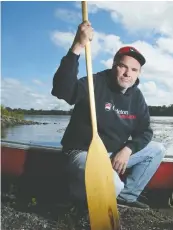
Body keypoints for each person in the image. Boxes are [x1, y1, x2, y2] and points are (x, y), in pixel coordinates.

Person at [51, 21, 166, 209]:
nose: (128, 73)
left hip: (111, 153)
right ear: (114, 65)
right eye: (123, 66)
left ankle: (126, 198)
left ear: (139, 73)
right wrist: (77, 46)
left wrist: (127, 149)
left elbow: (144, 131)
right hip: (82, 151)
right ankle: (76, 192)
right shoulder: (95, 82)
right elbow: (62, 90)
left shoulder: (136, 96)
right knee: (113, 185)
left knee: (157, 149)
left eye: (134, 70)